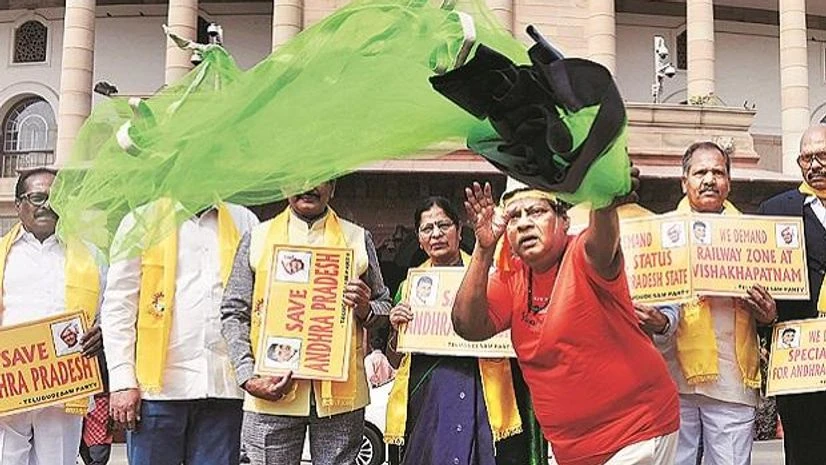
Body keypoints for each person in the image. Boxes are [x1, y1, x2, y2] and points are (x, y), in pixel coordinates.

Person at [452, 173, 680, 465]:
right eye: (513, 217)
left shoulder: (583, 255)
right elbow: (467, 326)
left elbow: (603, 240)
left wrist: (604, 201)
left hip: (637, 432)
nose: (523, 223)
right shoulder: (513, 277)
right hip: (572, 449)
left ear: (564, 220)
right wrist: (483, 250)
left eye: (536, 211)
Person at [221, 180, 392, 465]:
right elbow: (233, 312)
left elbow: (384, 306)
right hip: (269, 389)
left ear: (334, 186)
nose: (308, 186)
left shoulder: (357, 239)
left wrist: (365, 309)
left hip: (340, 395)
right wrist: (248, 376)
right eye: (299, 177)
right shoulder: (258, 237)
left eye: (320, 178)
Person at [638, 141, 777, 465]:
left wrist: (768, 315)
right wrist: (658, 321)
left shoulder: (754, 236)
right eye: (700, 172)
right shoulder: (659, 235)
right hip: (672, 376)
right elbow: (654, 302)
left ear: (729, 181)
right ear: (684, 181)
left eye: (718, 172)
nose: (710, 179)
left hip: (732, 382)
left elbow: (773, 302)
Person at [101, 198, 259, 465]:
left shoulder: (243, 220)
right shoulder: (141, 222)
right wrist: (122, 382)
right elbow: (119, 306)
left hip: (223, 386)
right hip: (157, 391)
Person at [385, 196, 539, 465]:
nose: (436, 234)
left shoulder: (489, 276)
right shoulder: (409, 287)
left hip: (483, 390)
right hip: (429, 400)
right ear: (419, 240)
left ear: (459, 230)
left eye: (443, 225)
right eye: (427, 229)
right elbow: (395, 361)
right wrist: (396, 330)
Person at [0, 167, 104, 465]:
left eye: (56, 197)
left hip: (64, 381)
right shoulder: (2, 254)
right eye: (37, 197)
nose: (47, 204)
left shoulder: (91, 256)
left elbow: (114, 308)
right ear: (18, 204)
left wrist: (102, 332)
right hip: (10, 383)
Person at [759, 123, 826, 465]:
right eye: (806, 158)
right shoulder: (775, 211)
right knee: (803, 451)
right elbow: (758, 280)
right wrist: (766, 318)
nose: (814, 165)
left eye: (822, 156)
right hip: (799, 358)